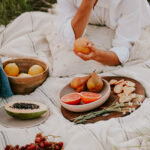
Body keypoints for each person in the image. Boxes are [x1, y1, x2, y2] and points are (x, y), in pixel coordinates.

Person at [56, 0, 150, 66]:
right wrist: (88, 2)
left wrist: (98, 55)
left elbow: (122, 49)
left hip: (136, 22)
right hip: (95, 21)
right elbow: (70, 38)